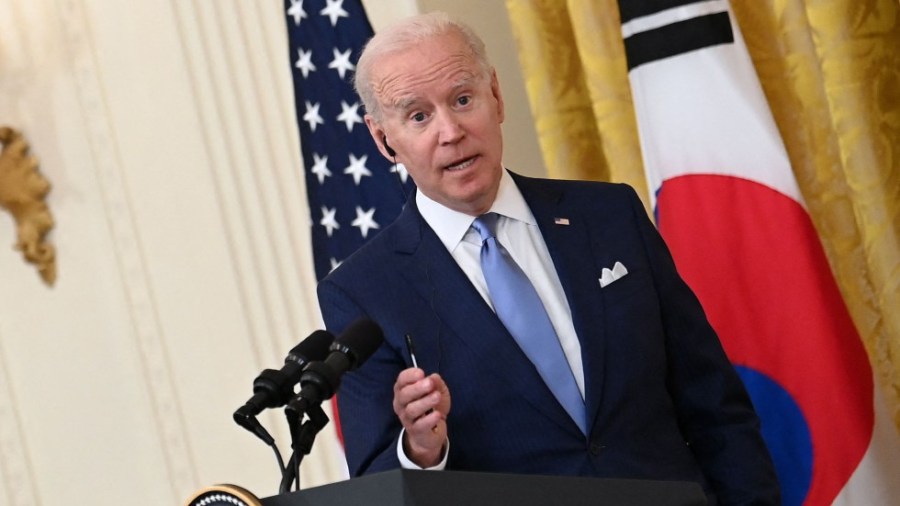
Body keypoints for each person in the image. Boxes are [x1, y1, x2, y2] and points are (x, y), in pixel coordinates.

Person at [316, 11, 780, 505]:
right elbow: (375, 484)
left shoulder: (609, 215)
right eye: (418, 116)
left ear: (496, 95)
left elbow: (713, 402)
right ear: (383, 138)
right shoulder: (365, 290)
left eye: (463, 99)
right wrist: (422, 451)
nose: (449, 131)